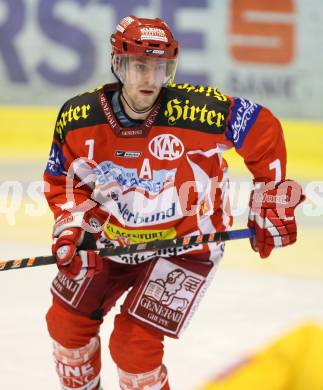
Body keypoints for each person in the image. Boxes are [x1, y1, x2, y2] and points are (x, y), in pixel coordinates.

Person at [43, 15, 304, 390]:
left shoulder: (196, 111)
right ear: (118, 64)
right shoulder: (79, 117)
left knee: (134, 348)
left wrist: (271, 194)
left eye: (160, 67)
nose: (150, 78)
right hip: (109, 243)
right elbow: (62, 181)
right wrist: (73, 228)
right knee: (66, 327)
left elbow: (260, 126)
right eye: (139, 66)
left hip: (186, 246)